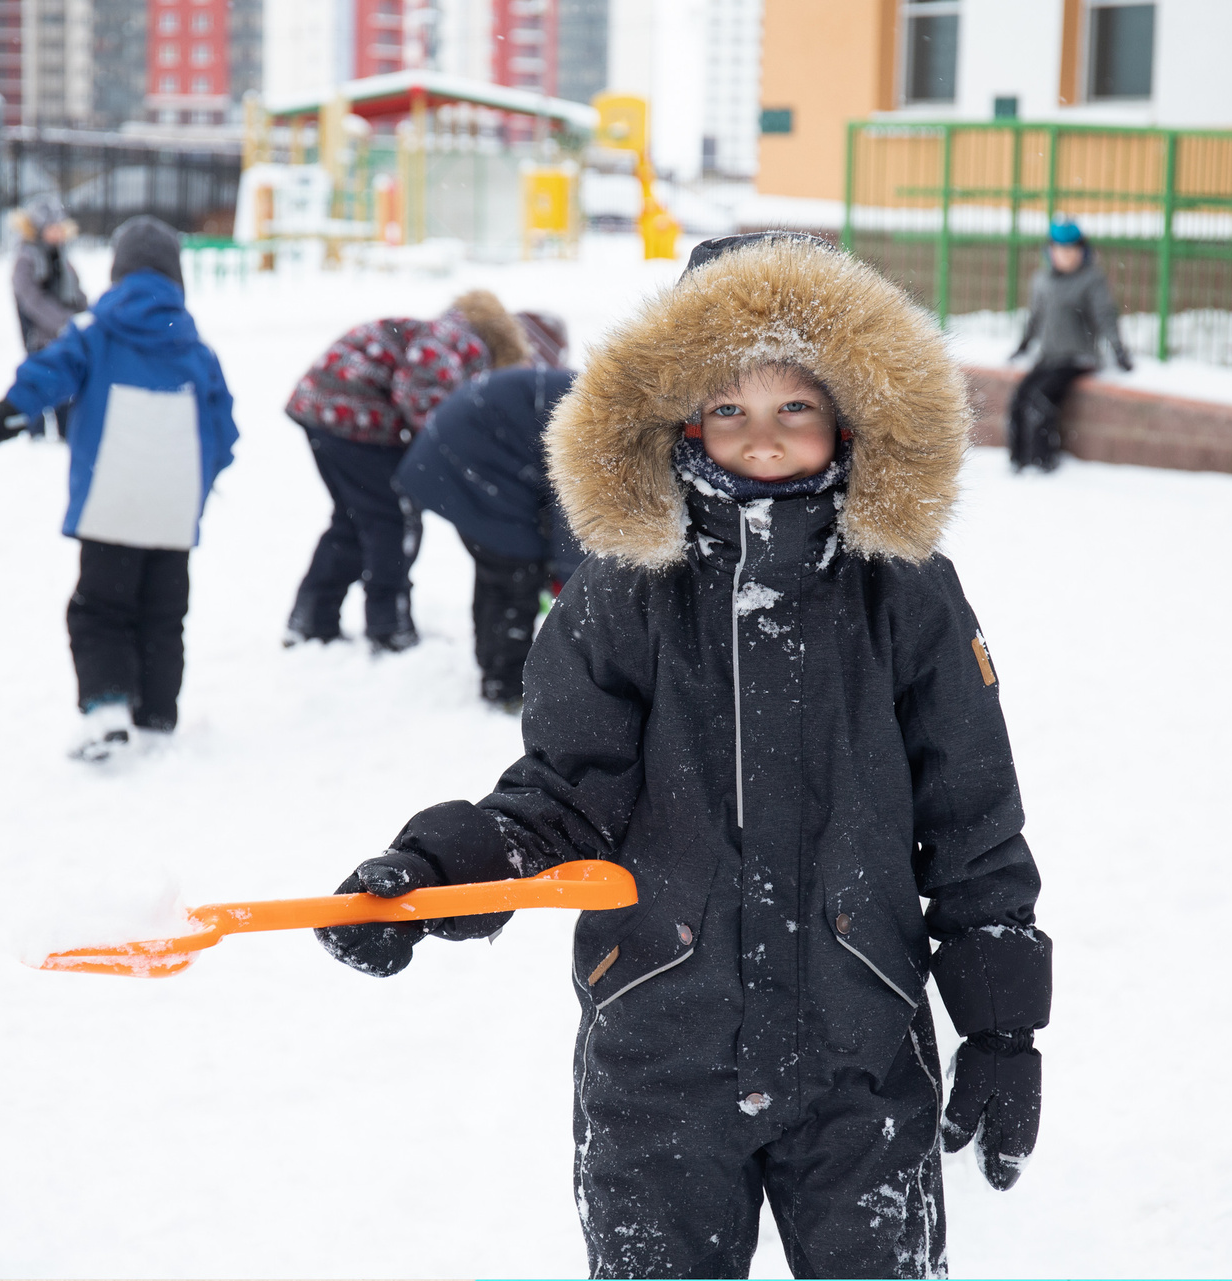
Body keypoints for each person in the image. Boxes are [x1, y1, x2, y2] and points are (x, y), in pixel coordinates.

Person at [317, 233, 1048, 1279]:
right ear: (677, 414)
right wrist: (434, 877)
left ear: (848, 410)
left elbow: (973, 821)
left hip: (861, 1050)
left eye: (794, 407)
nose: (762, 438)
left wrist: (1002, 1027)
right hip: (660, 1054)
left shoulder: (905, 588)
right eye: (728, 408)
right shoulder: (624, 588)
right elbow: (558, 799)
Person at [0, 216, 237, 762]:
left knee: (101, 608)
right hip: (174, 504)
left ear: (118, 273)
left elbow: (43, 378)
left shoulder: (95, 332)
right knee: (163, 613)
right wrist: (200, 480)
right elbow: (223, 429)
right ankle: (157, 716)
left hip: (112, 497)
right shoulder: (195, 348)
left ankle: (109, 712)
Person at [282, 290, 528, 652]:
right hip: (353, 416)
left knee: (353, 521)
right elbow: (427, 400)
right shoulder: (460, 341)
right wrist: (452, 452)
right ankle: (388, 627)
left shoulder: (441, 333)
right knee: (392, 521)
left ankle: (313, 619)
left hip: (325, 407)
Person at [397, 354, 584, 711]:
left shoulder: (600, 402)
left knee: (501, 570)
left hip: (457, 451)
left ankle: (496, 667)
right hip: (470, 459)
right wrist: (568, 580)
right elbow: (572, 513)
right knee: (515, 573)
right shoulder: (605, 427)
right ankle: (505, 684)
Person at [1006, 221, 1131, 473]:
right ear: (1050, 252)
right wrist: (1023, 345)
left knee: (1040, 399)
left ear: (1082, 251)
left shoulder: (1091, 279)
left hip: (1076, 359)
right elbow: (1035, 317)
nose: (1065, 256)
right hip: (1049, 357)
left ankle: (1042, 462)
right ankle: (1018, 462)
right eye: (1060, 250)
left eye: (1071, 250)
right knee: (1020, 397)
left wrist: (1119, 351)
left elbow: (1105, 316)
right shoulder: (1042, 280)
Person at [8, 197, 87, 441]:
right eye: (52, 227)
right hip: (39, 338)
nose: (58, 232)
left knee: (66, 391)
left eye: (60, 227)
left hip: (64, 337)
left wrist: (86, 317)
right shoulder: (26, 260)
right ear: (39, 228)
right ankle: (37, 440)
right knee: (40, 387)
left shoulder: (63, 259)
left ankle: (65, 436)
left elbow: (78, 293)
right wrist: (63, 322)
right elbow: (32, 300)